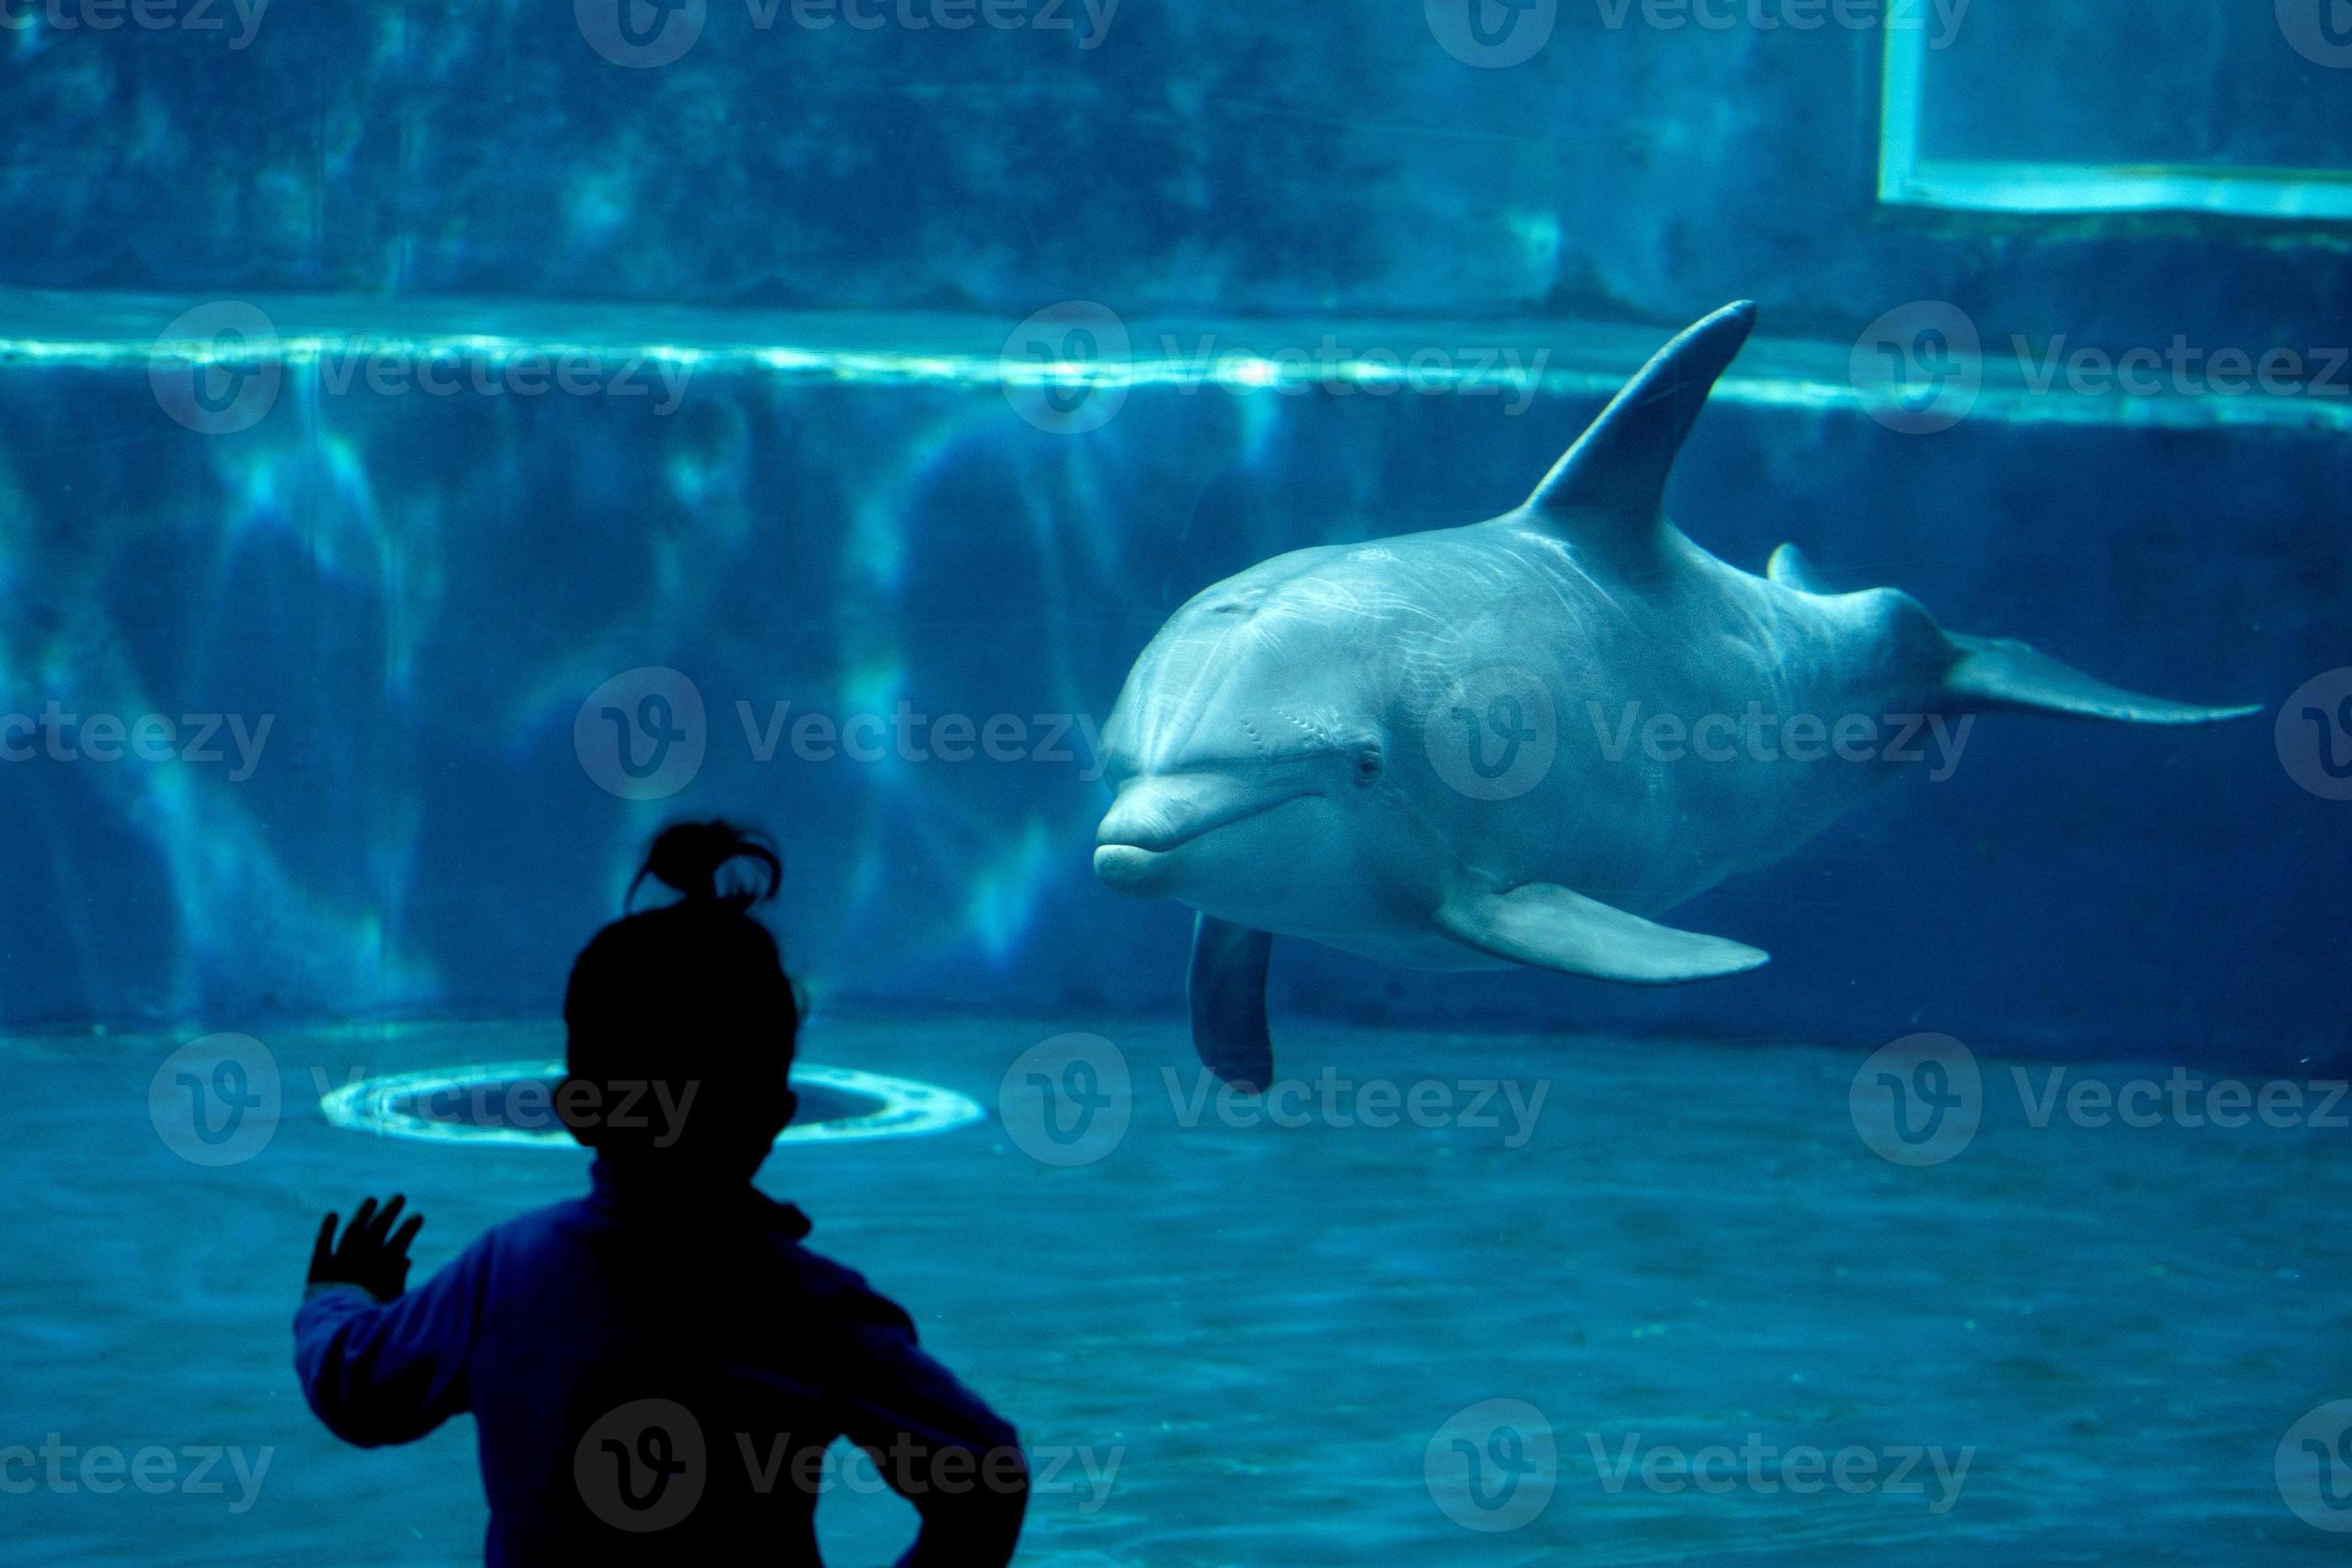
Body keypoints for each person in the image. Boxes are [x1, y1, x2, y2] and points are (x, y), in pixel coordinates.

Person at [294, 821, 1027, 1566]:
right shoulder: (814, 1311)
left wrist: (338, 1296)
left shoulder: (506, 1275)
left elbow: (359, 1390)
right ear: (774, 1115)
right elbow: (985, 1478)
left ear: (576, 1109)